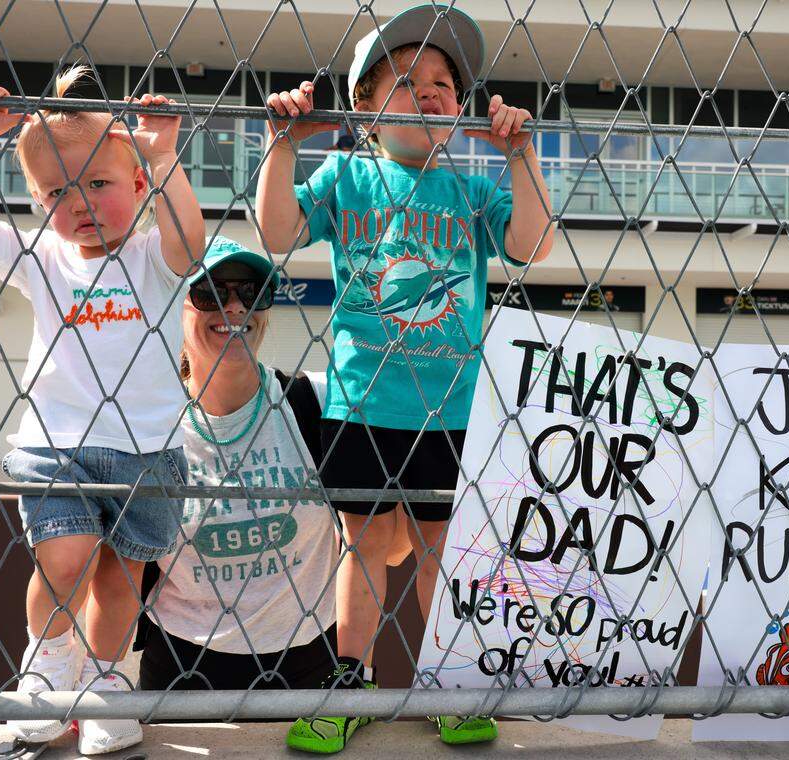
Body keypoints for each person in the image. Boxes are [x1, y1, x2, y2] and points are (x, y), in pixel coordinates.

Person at [256, 3, 555, 752]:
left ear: (462, 111)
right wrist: (282, 146)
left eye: (443, 85)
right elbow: (277, 233)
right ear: (363, 108)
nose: (427, 93)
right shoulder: (349, 175)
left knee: (441, 548)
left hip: (451, 406)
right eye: (404, 81)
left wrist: (519, 153)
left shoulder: (472, 188)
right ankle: (349, 678)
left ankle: (448, 678)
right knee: (358, 546)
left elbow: (535, 244)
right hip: (361, 397)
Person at [0, 66, 205, 755]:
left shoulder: (152, 258)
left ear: (139, 186)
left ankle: (108, 681)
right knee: (65, 559)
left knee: (121, 580)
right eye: (57, 190)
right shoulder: (43, 257)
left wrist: (164, 153)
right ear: (35, 201)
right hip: (60, 444)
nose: (78, 202)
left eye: (99, 184)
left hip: (148, 450)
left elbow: (191, 242)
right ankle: (47, 671)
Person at [137, 236, 340, 695]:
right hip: (183, 662)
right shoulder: (146, 424)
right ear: (175, 308)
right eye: (210, 291)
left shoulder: (317, 404)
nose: (233, 308)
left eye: (251, 293)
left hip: (311, 655)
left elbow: (387, 546)